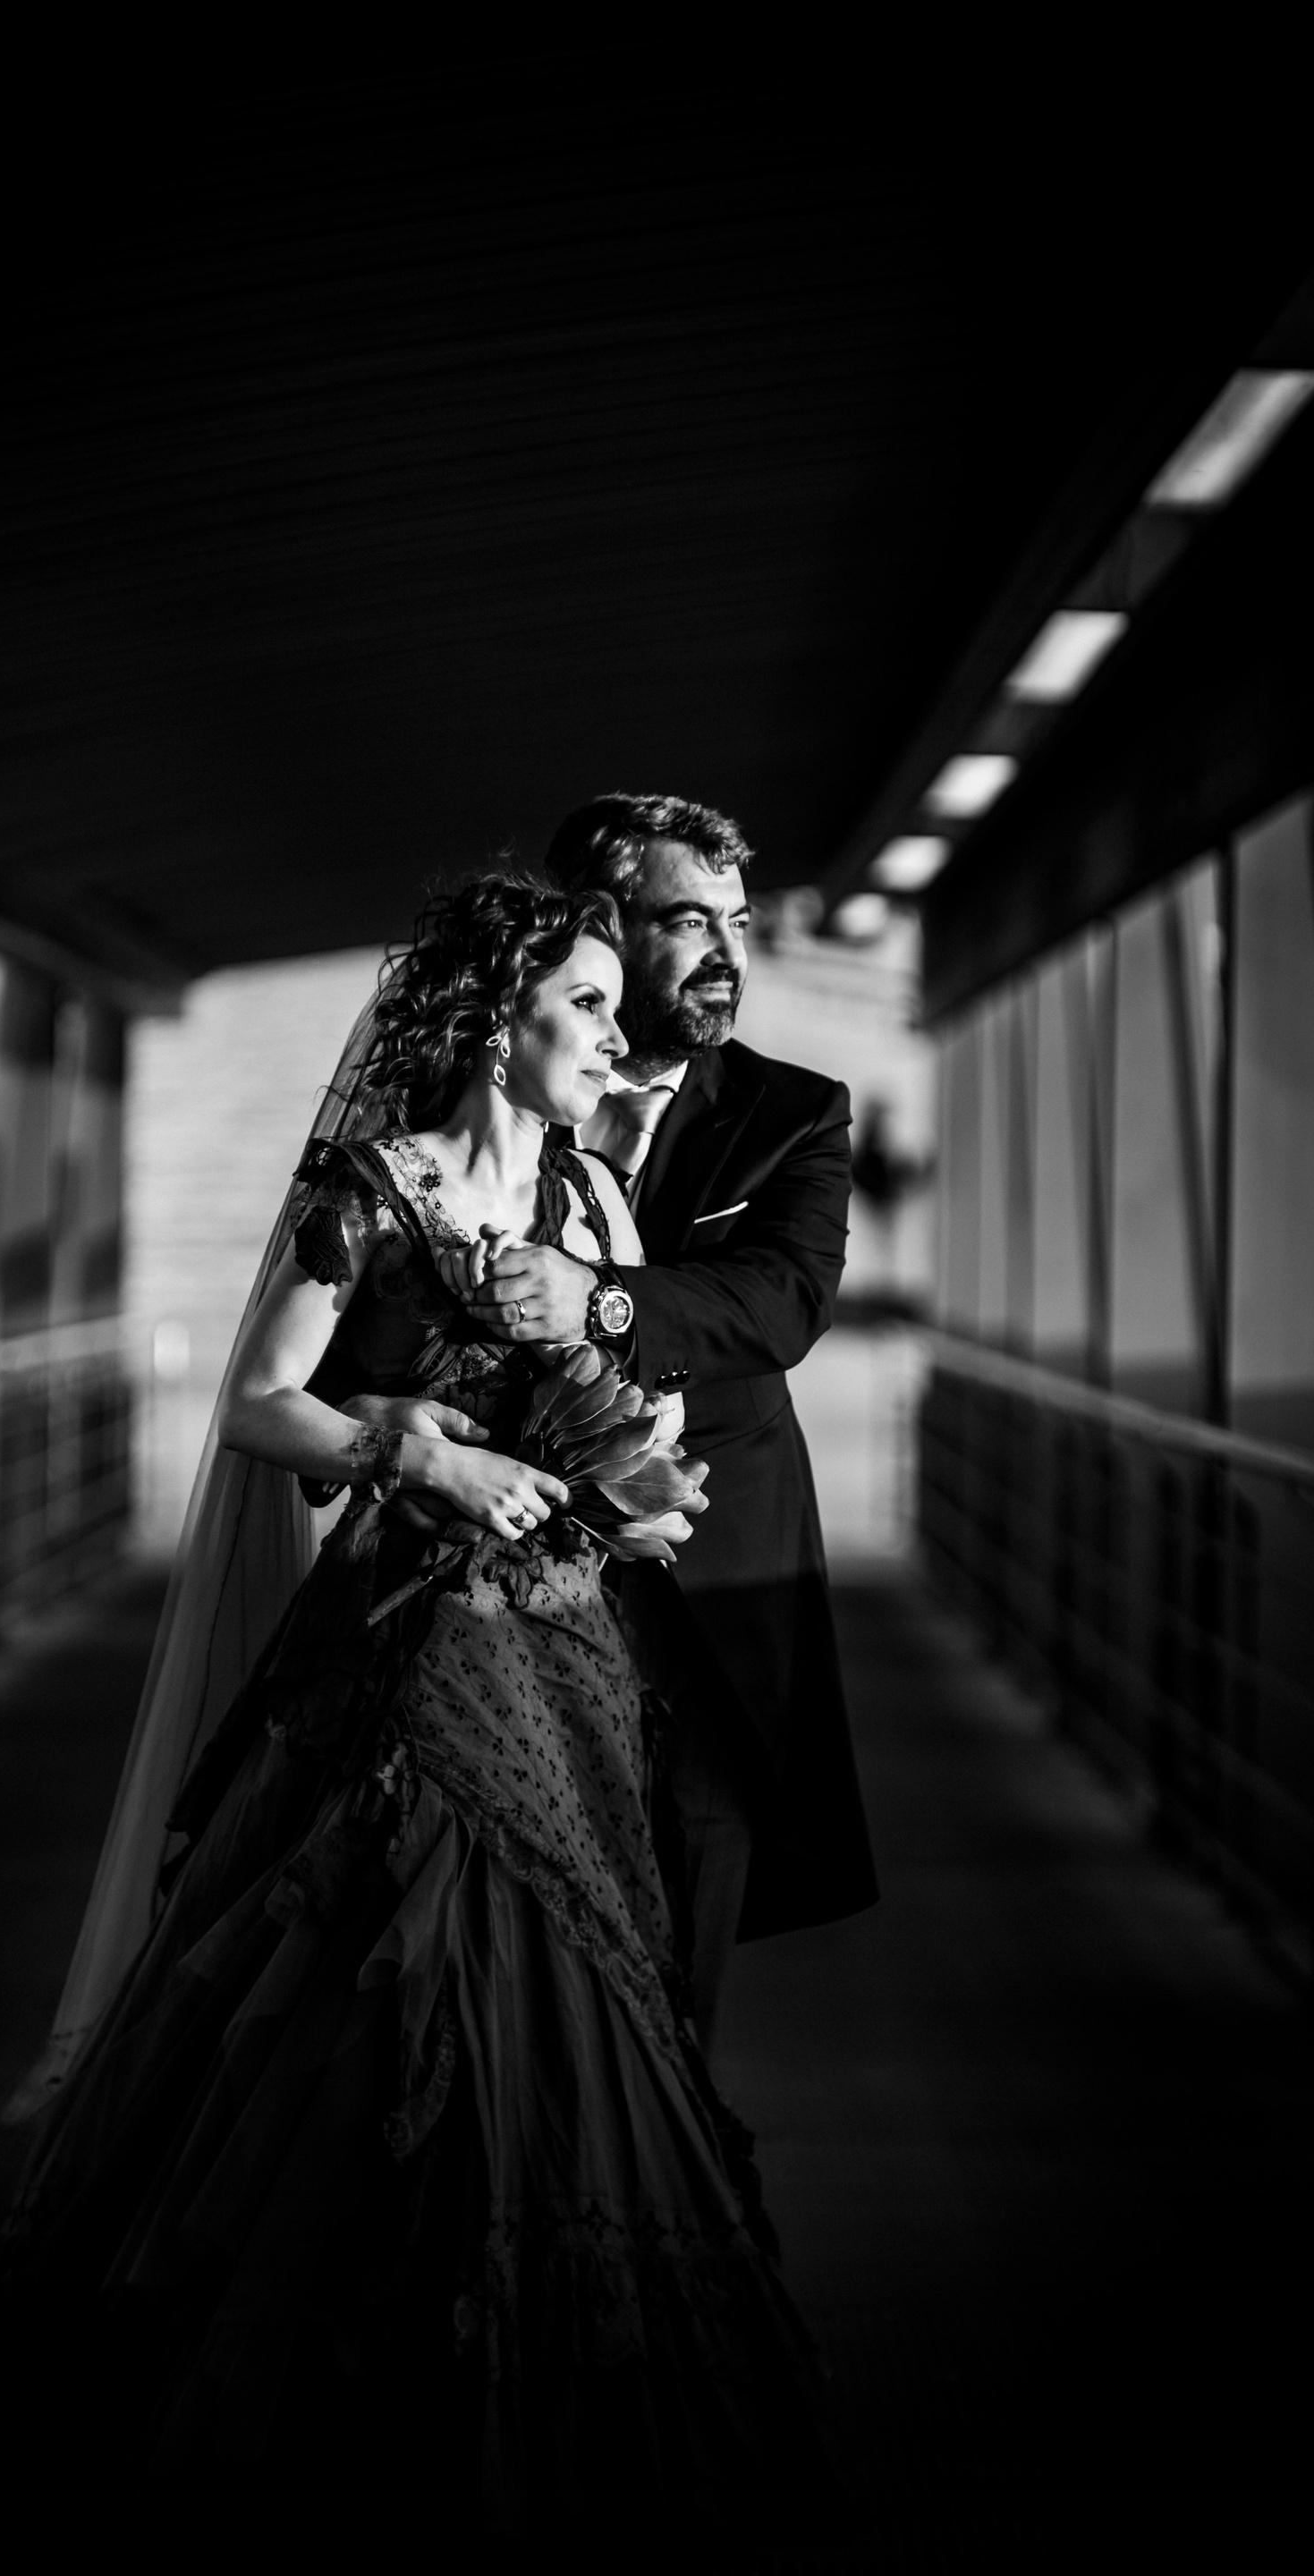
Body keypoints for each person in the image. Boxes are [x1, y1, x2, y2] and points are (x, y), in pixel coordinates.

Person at [0, 875, 840, 2564]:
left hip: (571, 1646)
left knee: (587, 1962)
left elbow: (638, 1400)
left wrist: (632, 1480)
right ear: (496, 1023)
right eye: (584, 1003)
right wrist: (415, 1453)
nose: (613, 1029)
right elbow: (258, 1407)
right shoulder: (372, 1192)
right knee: (393, 1942)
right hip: (406, 1635)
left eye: (608, 1002)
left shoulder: (595, 1196)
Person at [452, 794, 877, 2047]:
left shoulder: (796, 1112)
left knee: (690, 1900)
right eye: (691, 921)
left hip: (716, 1575)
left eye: (739, 922)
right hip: (501, 1574)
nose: (727, 954)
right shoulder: (478, 1091)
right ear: (601, 921)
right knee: (507, 1901)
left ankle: (669, 2132)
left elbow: (784, 1302)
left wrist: (602, 1300)